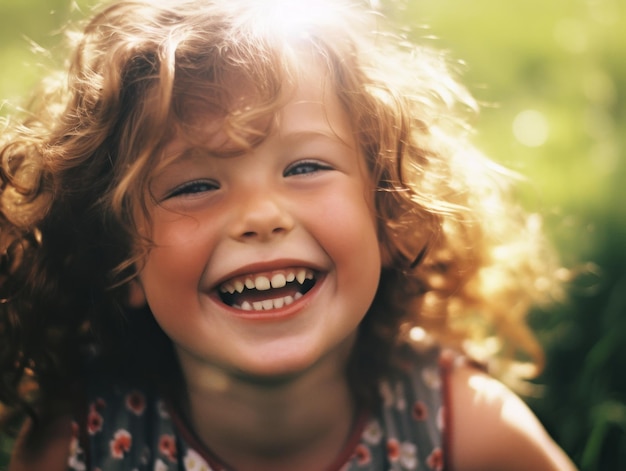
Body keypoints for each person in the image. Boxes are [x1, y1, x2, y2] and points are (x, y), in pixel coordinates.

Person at [0, 0, 577, 469]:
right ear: (119, 260)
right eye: (194, 185)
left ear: (388, 215)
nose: (261, 215)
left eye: (305, 168)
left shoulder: (464, 430)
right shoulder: (81, 445)